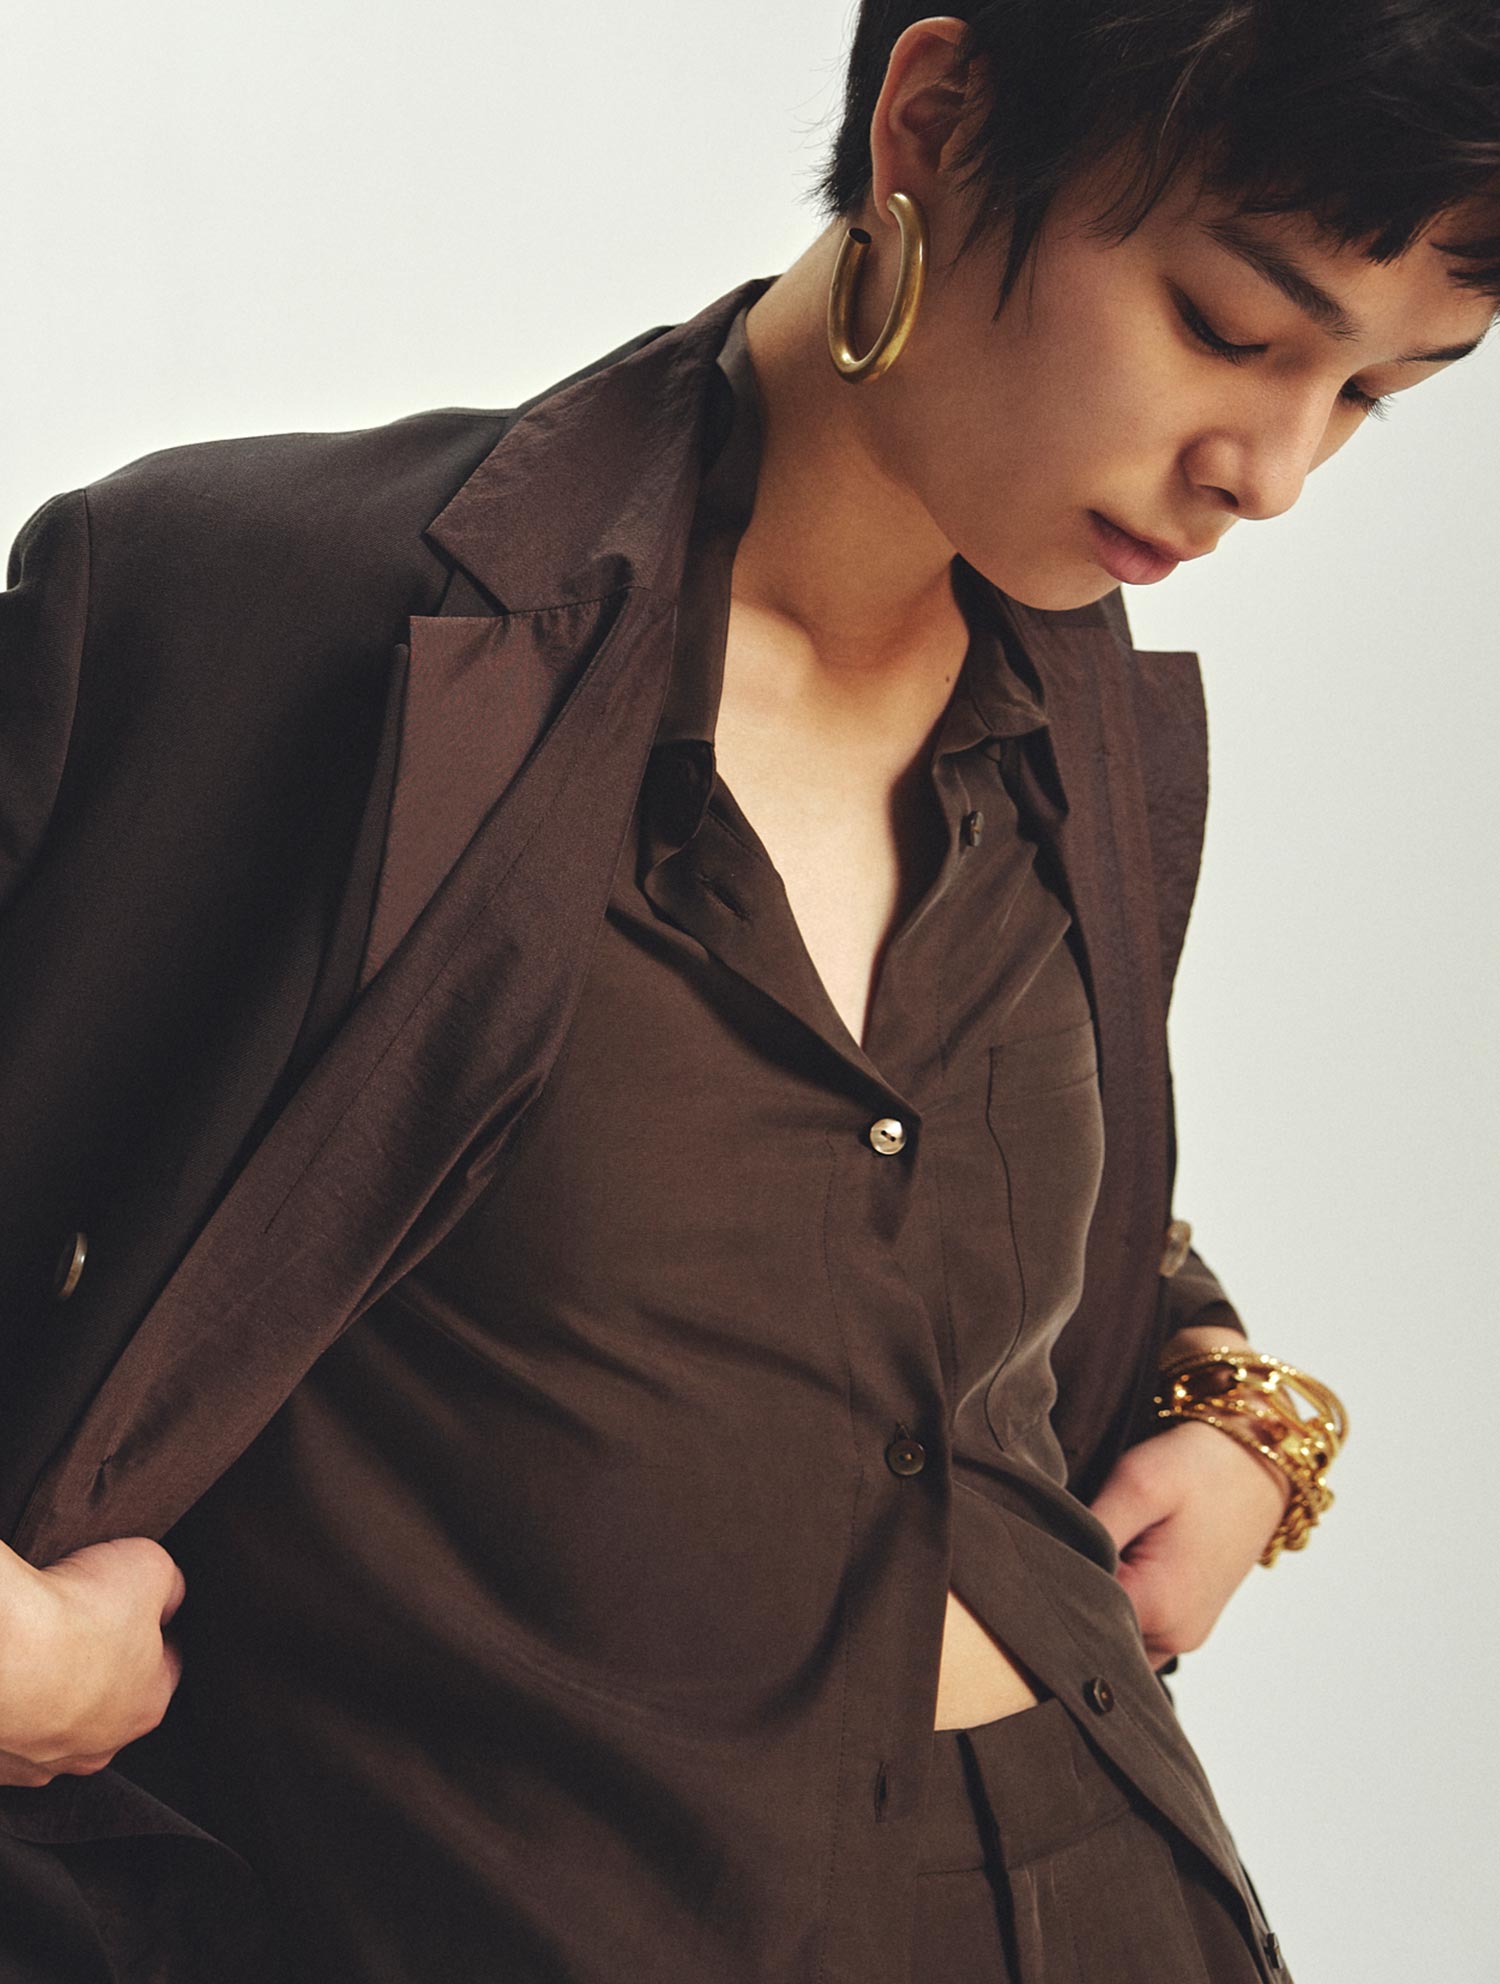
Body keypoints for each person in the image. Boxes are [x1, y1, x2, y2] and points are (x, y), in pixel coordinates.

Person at [0, 1, 1491, 1976]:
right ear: (934, 122)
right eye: (1230, 329)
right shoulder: (261, 612)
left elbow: (887, 1206)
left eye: (1377, 391)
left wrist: (1230, 1405)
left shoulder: (1076, 719)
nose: (1275, 472)